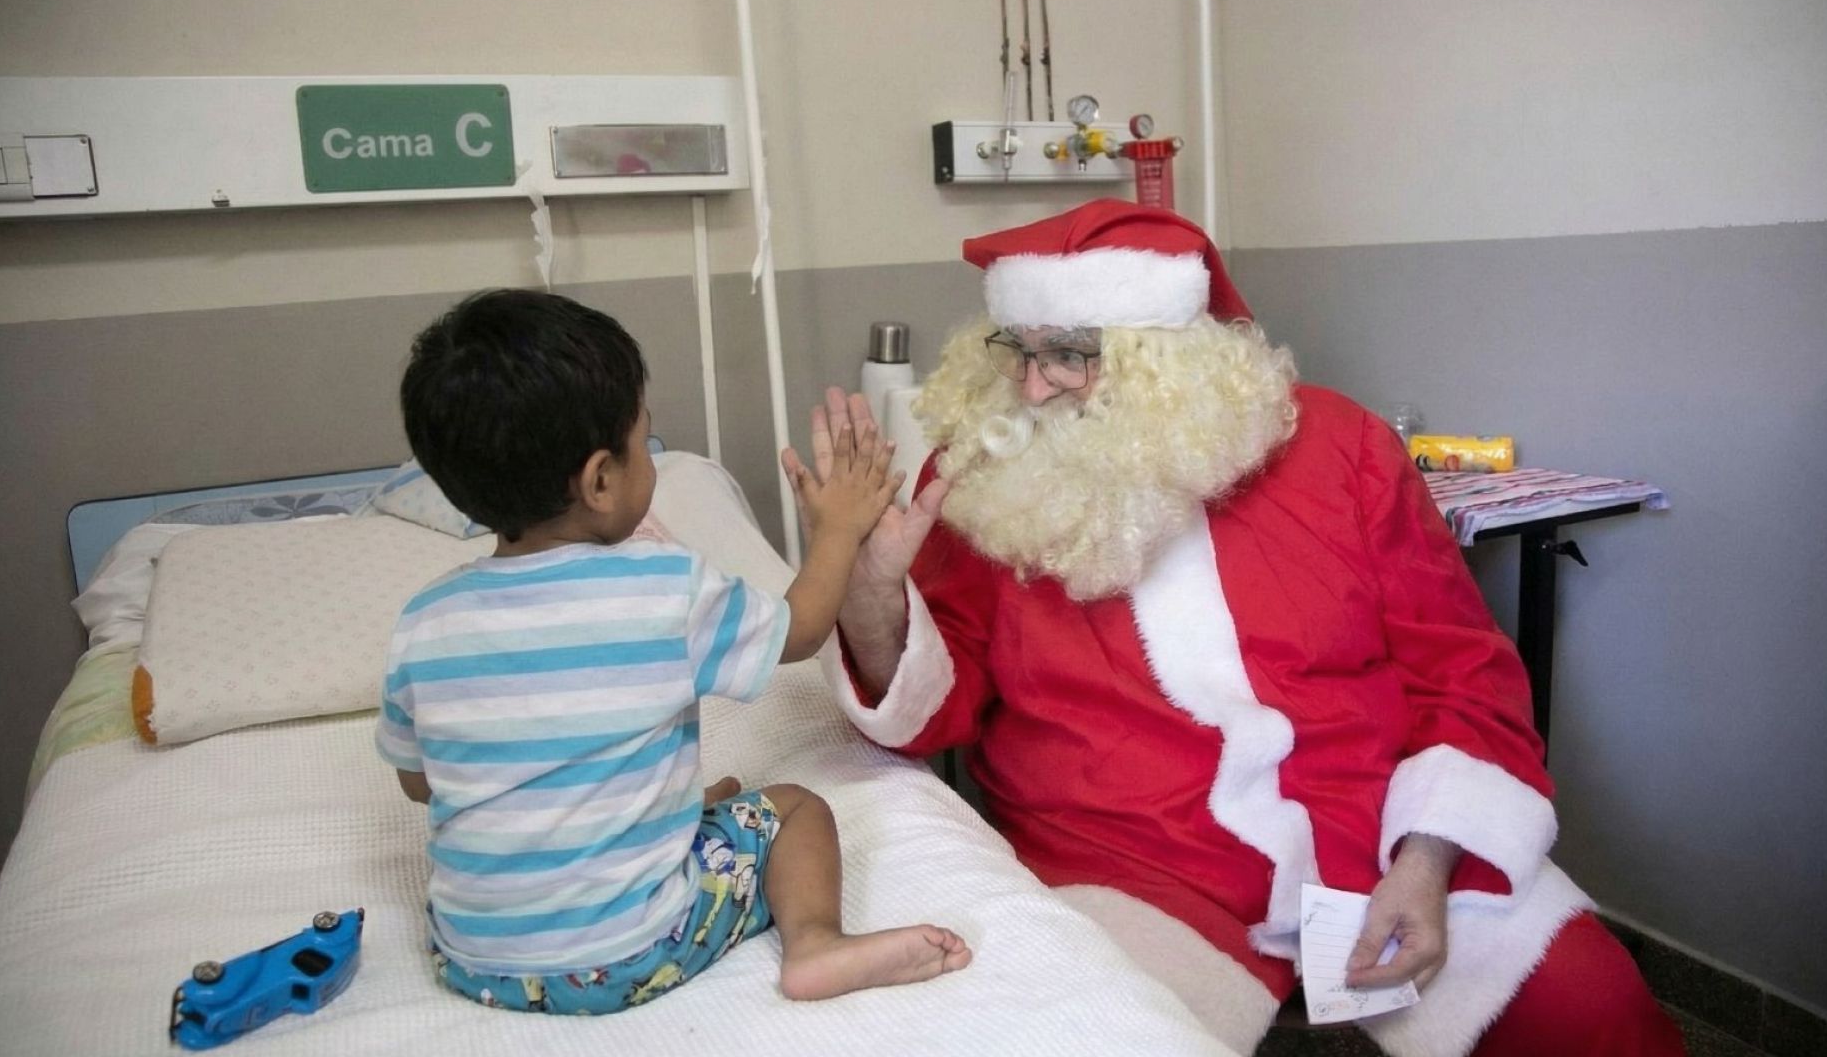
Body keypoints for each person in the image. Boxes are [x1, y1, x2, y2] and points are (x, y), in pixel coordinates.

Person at [784, 200, 1681, 1055]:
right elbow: (936, 710)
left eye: (1069, 355)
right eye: (1016, 349)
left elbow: (1460, 672)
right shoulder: (981, 472)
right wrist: (867, 590)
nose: (1029, 386)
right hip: (1131, 863)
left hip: (1374, 831)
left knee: (1590, 1006)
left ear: (1168, 361)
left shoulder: (1346, 449)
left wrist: (1429, 857)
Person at [376, 289, 970, 1016]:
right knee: (792, 811)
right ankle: (816, 944)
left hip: (475, 960)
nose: (650, 457)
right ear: (600, 480)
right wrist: (838, 528)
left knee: (693, 793)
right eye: (644, 441)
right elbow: (800, 629)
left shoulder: (424, 621)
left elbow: (422, 786)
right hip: (632, 952)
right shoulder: (661, 587)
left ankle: (665, 818)